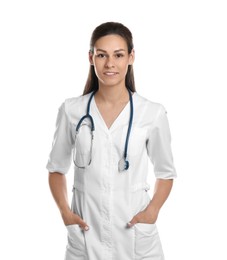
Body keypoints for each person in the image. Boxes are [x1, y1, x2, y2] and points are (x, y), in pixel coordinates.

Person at [46, 21, 177, 260]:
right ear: (90, 58)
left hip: (136, 238)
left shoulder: (152, 113)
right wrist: (65, 212)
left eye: (118, 55)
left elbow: (166, 173)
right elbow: (56, 169)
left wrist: (152, 212)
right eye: (101, 55)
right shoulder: (71, 110)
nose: (110, 64)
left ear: (131, 57)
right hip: (86, 238)